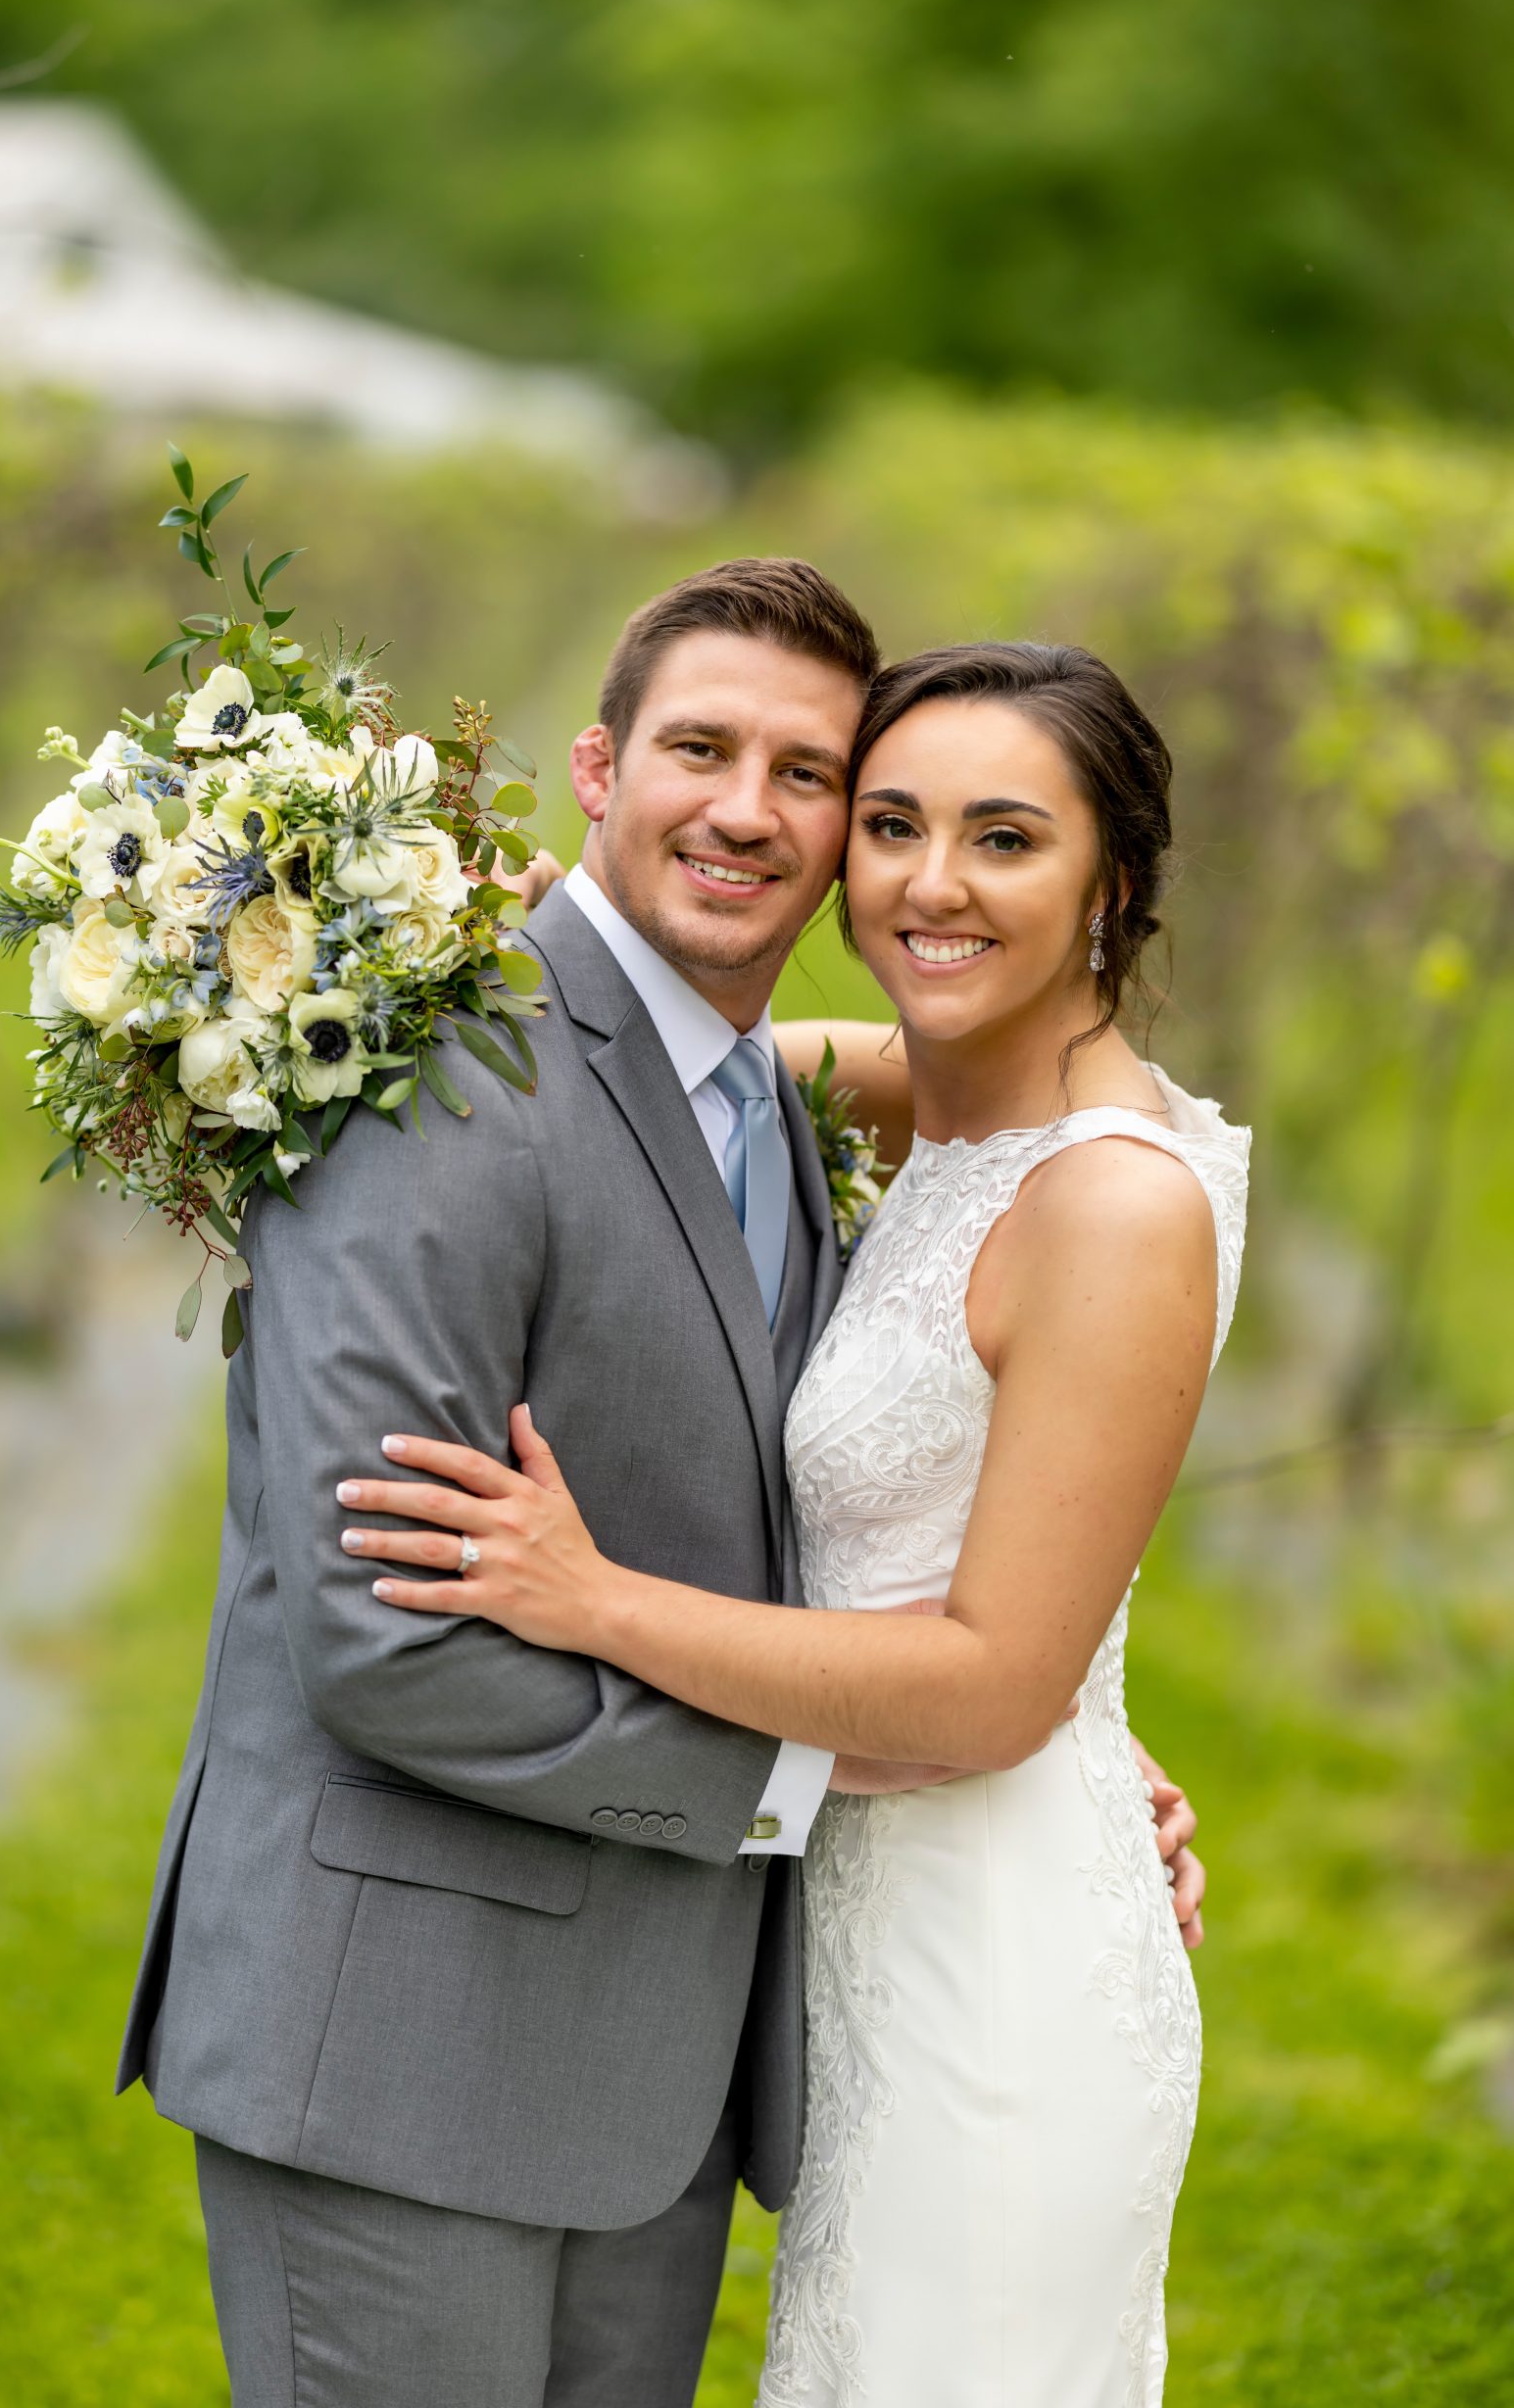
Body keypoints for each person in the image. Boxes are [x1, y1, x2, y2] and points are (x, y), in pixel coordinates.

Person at [118, 574, 1203, 2408]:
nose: (751, 811)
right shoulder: (431, 1075)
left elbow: (863, 1492)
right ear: (599, 766)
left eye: (812, 775)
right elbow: (390, 1643)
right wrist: (836, 1768)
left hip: (660, 2070)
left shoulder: (783, 1103)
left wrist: (1065, 1744)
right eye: (703, 748)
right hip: (405, 2050)